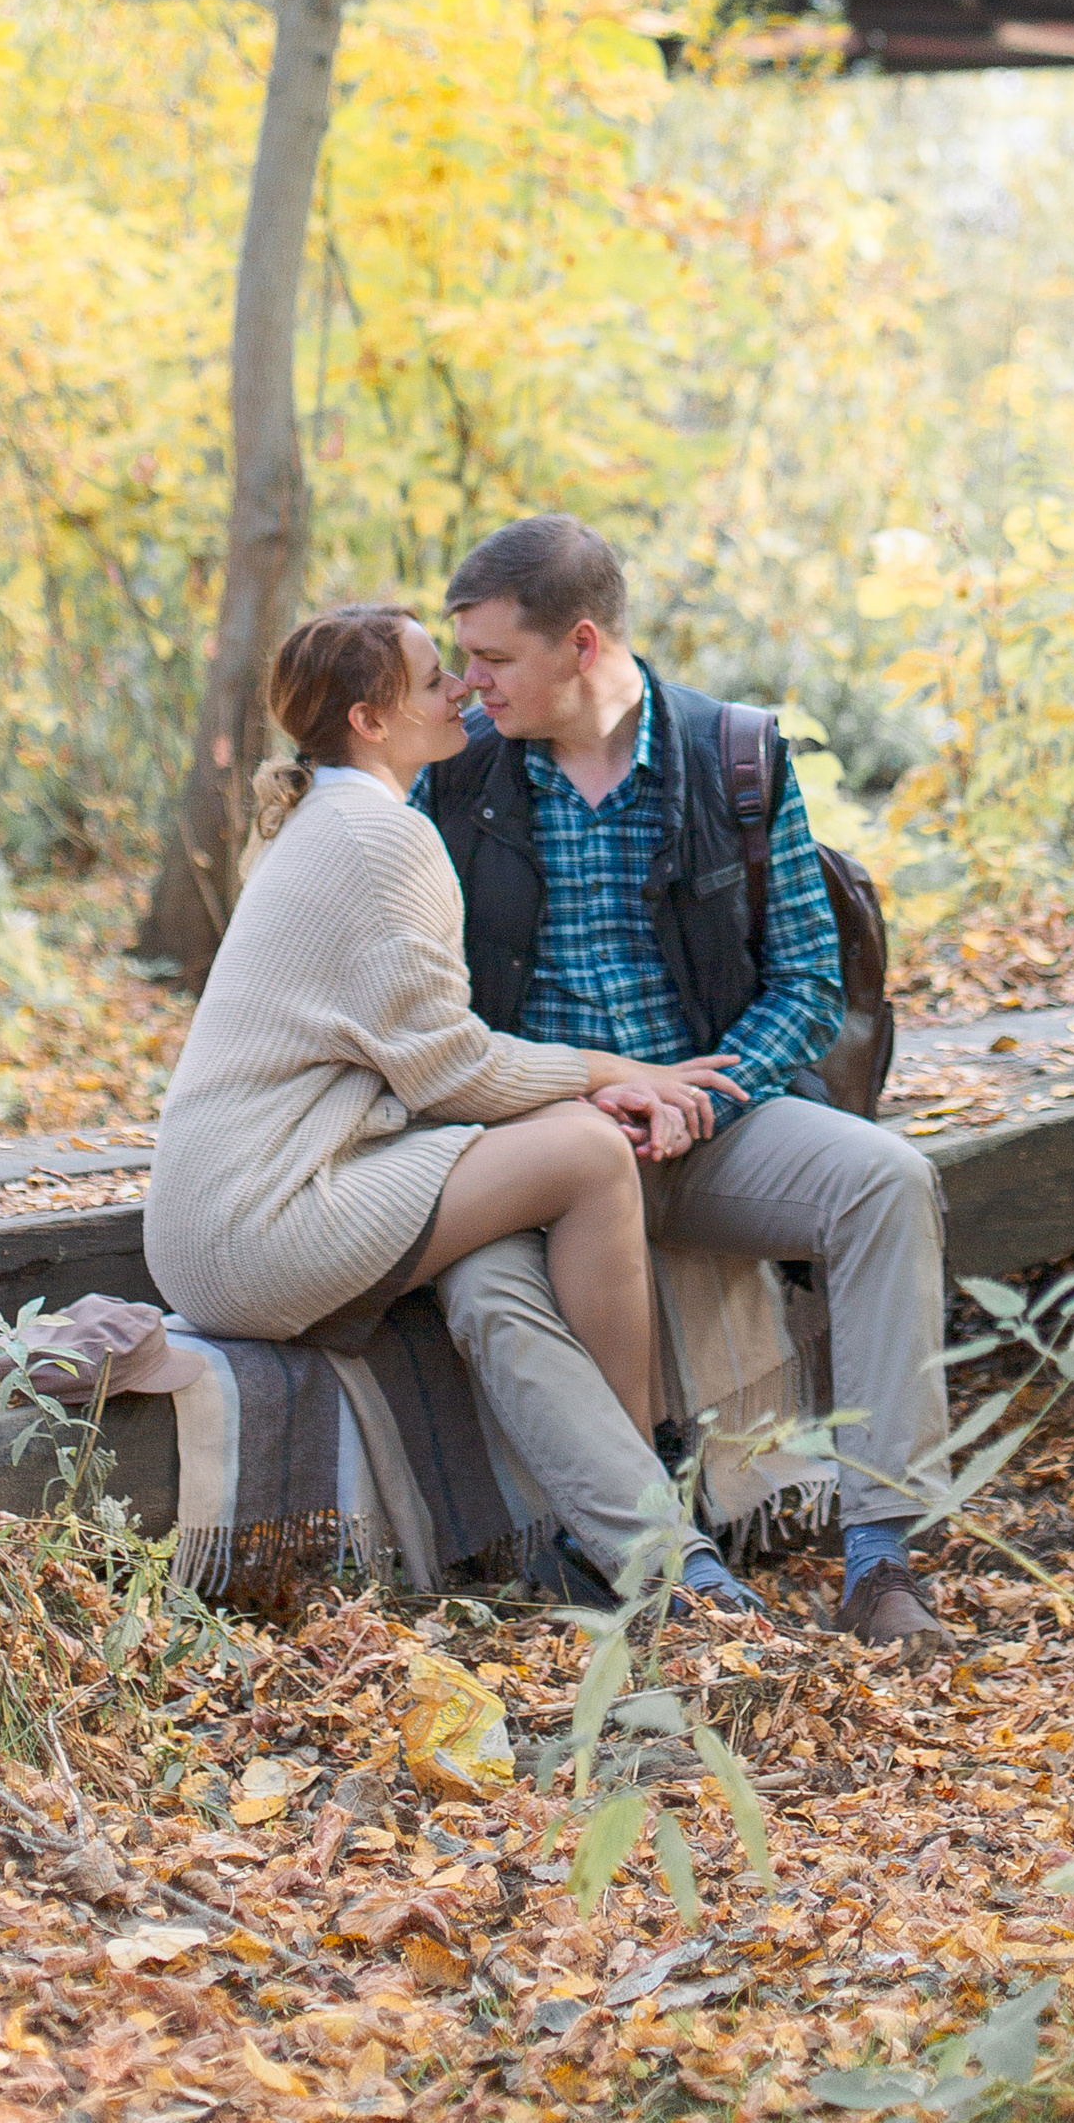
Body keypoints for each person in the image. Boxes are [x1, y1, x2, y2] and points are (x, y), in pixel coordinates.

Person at [412, 513, 953, 1653]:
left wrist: (704, 1093)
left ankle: (881, 1560)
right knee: (482, 1291)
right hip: (540, 1149)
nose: (470, 685)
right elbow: (419, 1001)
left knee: (888, 1182)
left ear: (583, 644)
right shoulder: (455, 778)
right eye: (465, 661)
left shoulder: (734, 757)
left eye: (495, 659)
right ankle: (676, 1572)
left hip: (710, 1128)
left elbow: (807, 984)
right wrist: (564, 1099)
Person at [144, 603, 752, 1579]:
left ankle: (616, 1542)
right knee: (592, 1153)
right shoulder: (378, 836)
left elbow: (420, 1066)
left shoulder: (326, 819)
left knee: (498, 1263)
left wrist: (578, 1087)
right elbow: (453, 1071)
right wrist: (617, 1073)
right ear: (369, 722)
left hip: (223, 1221)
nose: (461, 687)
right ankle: (653, 1493)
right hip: (263, 1220)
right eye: (434, 679)